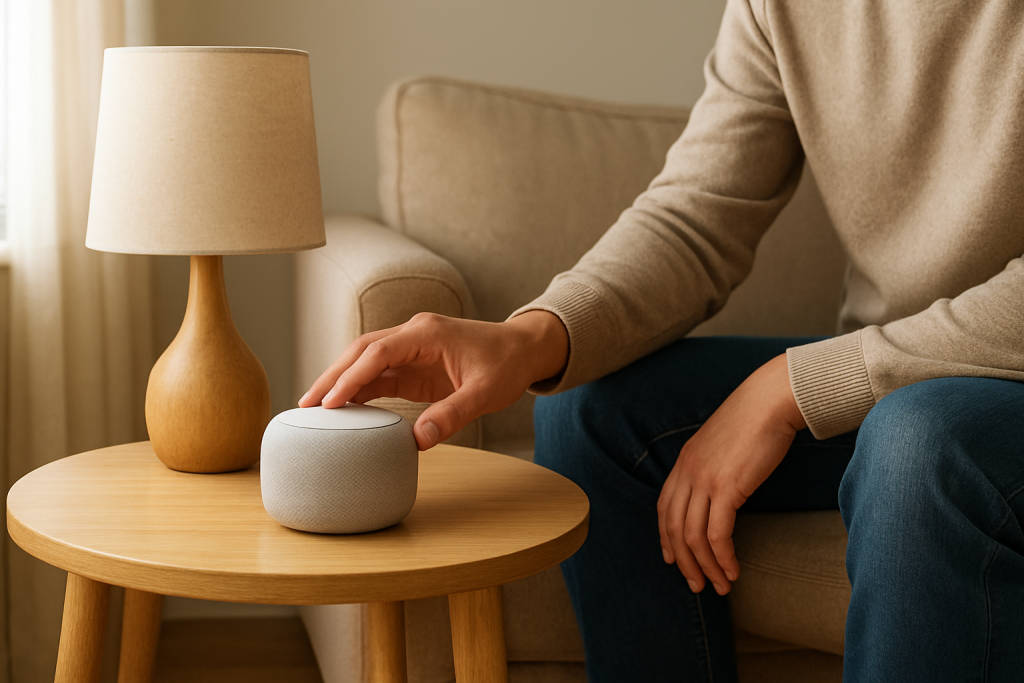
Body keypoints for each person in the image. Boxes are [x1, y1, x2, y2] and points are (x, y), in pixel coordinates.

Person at [300, 0, 1024, 680]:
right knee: (591, 410)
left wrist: (789, 387)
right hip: (904, 374)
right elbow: (698, 216)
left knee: (918, 447)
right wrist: (528, 338)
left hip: (960, 409)